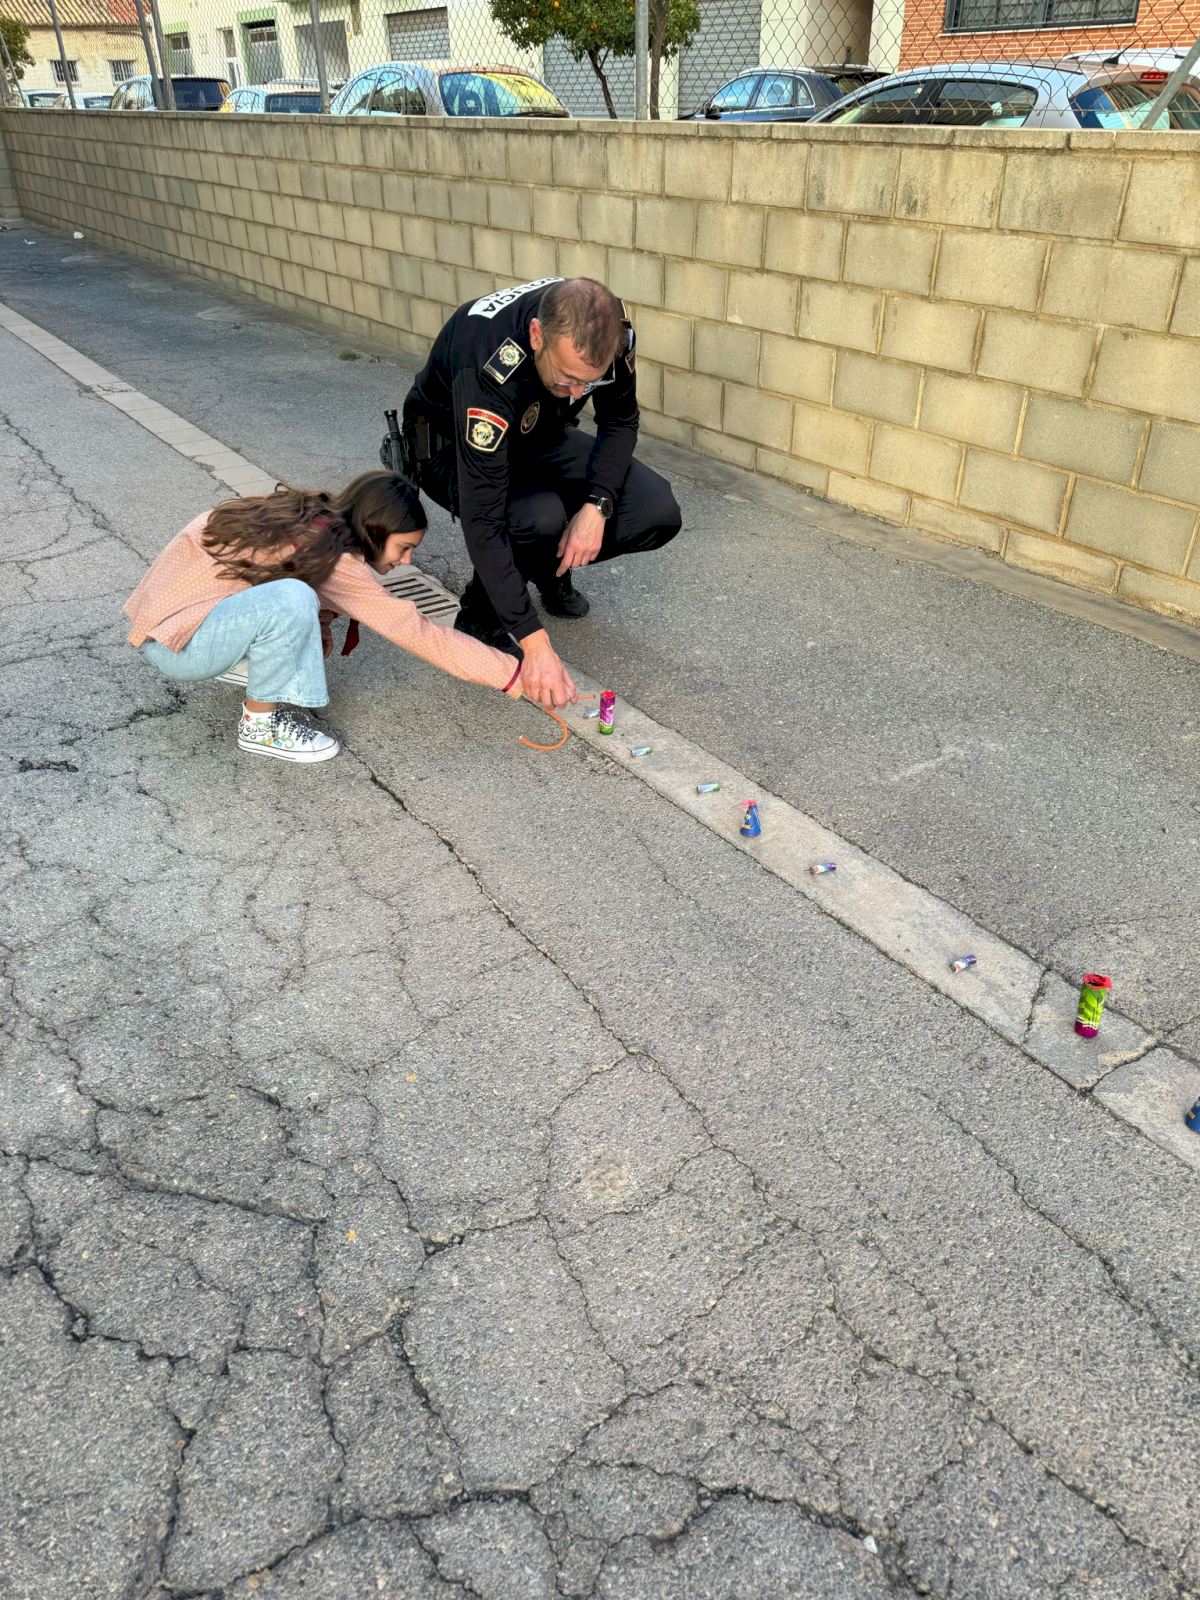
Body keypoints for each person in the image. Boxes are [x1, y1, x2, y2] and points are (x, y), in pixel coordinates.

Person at [397, 276, 682, 712]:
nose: (578, 394)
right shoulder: (490, 366)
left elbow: (620, 421)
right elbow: (483, 519)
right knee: (538, 518)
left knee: (654, 509)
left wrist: (597, 505)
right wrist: (535, 642)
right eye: (568, 379)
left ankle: (546, 567)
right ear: (536, 336)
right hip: (449, 448)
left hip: (537, 431)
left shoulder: (610, 330)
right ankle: (480, 617)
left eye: (589, 383)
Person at [123, 472, 523, 764]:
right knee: (293, 598)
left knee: (294, 599)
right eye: (403, 548)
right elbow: (419, 633)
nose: (407, 561)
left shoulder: (312, 518)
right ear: (374, 530)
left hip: (167, 627)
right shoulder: (337, 561)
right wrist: (515, 675)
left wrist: (319, 623)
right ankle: (260, 727)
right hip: (181, 648)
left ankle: (250, 667)